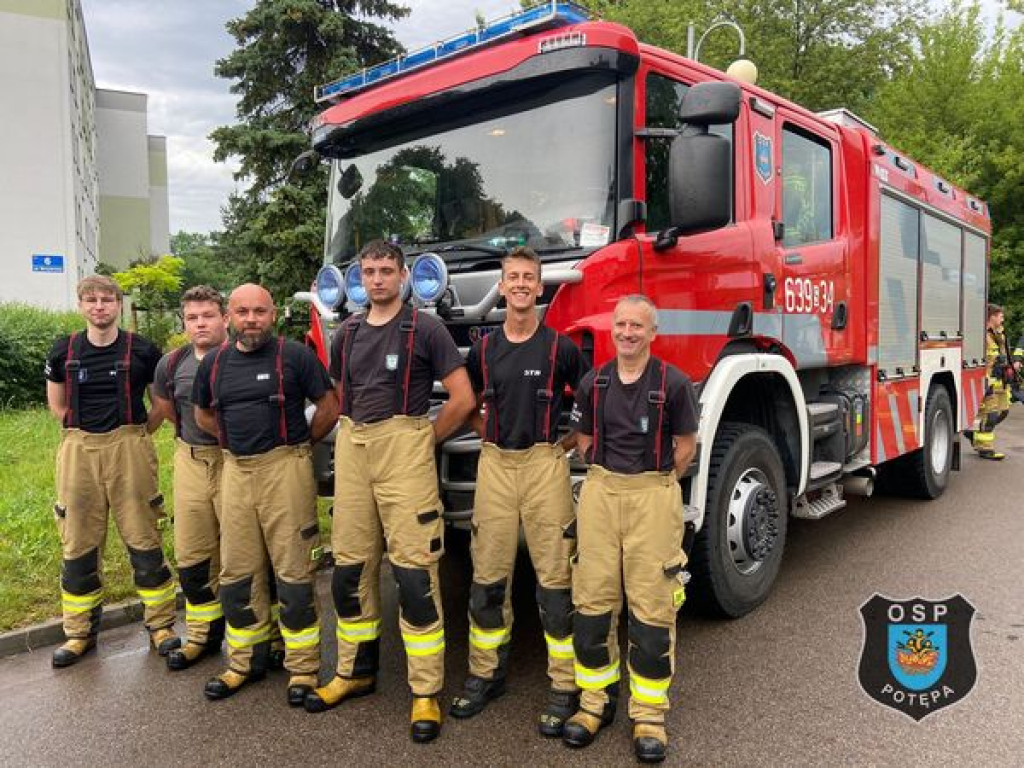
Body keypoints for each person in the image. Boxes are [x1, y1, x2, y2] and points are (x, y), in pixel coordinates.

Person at [304, 240, 475, 745]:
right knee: (349, 571)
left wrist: (424, 438)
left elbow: (463, 398)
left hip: (404, 451)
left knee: (414, 577)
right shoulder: (349, 331)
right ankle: (355, 671)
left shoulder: (427, 328)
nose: (377, 280)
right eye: (369, 272)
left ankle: (426, 692)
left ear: (403, 277)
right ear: (360, 277)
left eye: (386, 271)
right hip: (356, 450)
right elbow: (339, 398)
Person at [449, 247, 588, 737]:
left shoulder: (560, 348)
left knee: (555, 578)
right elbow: (465, 398)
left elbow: (590, 397)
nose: (522, 285)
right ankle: (487, 673)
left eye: (530, 277)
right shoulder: (484, 349)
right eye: (514, 278)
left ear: (540, 287)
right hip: (496, 467)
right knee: (488, 577)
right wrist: (479, 424)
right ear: (502, 287)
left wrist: (570, 442)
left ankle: (564, 683)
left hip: (544, 464)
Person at [561, 295, 698, 764]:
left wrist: (654, 487)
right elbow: (583, 441)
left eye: (637, 325)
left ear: (652, 333)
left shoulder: (674, 385)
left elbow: (685, 447)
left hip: (653, 497)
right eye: (621, 324)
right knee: (593, 602)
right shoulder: (592, 382)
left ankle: (649, 714)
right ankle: (593, 703)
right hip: (600, 494)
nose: (628, 333)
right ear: (612, 329)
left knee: (653, 608)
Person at [192, 284, 338, 705]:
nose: (251, 319)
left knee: (293, 574)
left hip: (286, 469)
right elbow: (203, 412)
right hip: (235, 471)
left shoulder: (294, 357)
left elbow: (329, 404)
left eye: (259, 311)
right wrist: (231, 438)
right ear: (229, 316)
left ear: (273, 314)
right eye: (242, 312)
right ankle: (243, 662)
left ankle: (303, 669)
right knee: (238, 574)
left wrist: (299, 444)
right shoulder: (215, 363)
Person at [44, 275, 179, 667]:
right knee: (78, 541)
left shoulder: (143, 350)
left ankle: (161, 626)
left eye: (107, 300)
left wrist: (139, 434)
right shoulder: (62, 351)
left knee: (143, 535)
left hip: (130, 448)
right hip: (78, 450)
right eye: (92, 300)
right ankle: (79, 632)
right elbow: (57, 405)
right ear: (81, 305)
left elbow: (160, 404)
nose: (99, 307)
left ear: (119, 305)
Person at [151, 286, 236, 670]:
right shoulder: (171, 364)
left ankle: (263, 638)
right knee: (193, 554)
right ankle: (202, 634)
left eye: (208, 315)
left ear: (225, 318)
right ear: (184, 323)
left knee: (245, 553)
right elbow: (169, 410)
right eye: (192, 318)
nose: (200, 323)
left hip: (236, 461)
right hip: (190, 459)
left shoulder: (244, 357)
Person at [967, 304, 1012, 460]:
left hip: (1000, 380)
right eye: (1000, 316)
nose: (1003, 319)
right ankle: (985, 448)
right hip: (987, 381)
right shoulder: (980, 335)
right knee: (990, 415)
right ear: (991, 316)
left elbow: (1002, 355)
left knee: (1003, 411)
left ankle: (973, 432)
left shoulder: (998, 334)